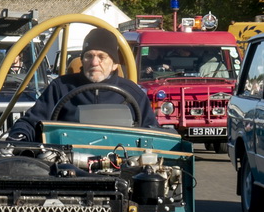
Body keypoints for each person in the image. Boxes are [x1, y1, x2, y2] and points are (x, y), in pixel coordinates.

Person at [8, 27, 158, 140]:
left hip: (123, 167)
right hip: (67, 168)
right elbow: (31, 122)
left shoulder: (133, 93)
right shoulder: (60, 87)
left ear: (114, 64)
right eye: (88, 56)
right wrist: (18, 137)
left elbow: (153, 133)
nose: (94, 62)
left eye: (101, 57)